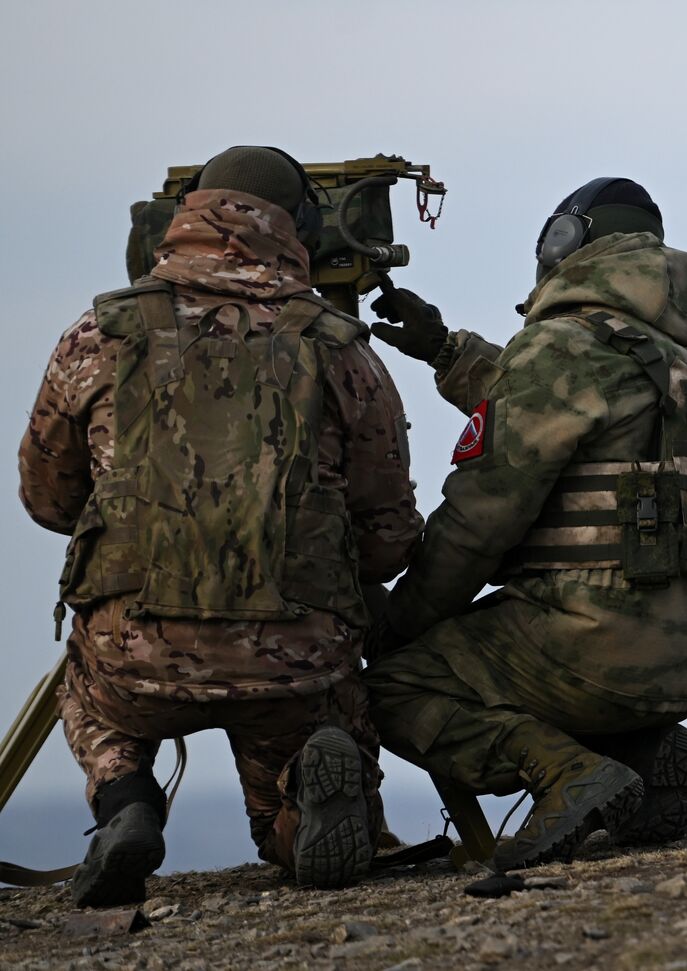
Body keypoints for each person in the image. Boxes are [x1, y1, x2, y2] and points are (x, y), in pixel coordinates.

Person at [18, 146, 422, 905]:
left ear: (181, 221)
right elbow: (390, 536)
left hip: (132, 656)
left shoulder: (96, 334)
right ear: (298, 228)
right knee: (290, 773)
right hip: (293, 661)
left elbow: (46, 498)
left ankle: (127, 799)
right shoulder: (340, 348)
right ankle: (300, 809)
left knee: (91, 691)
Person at [364, 177, 687, 870]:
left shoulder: (560, 346)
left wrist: (399, 621)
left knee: (392, 686)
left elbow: (478, 522)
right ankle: (641, 754)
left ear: (566, 243)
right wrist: (444, 349)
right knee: (546, 659)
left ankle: (566, 773)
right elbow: (552, 398)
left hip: (592, 643)